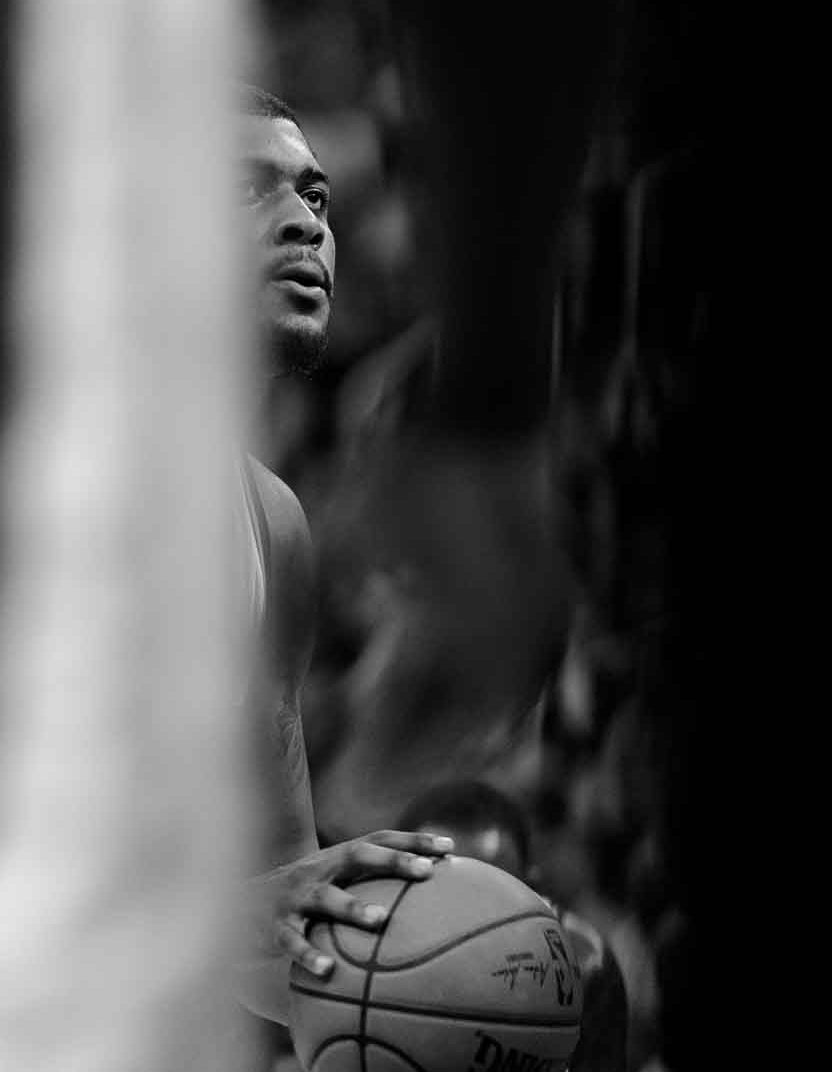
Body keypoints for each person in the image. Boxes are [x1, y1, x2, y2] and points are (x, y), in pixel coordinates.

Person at [228, 85, 455, 1021]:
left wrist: (434, 986)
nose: (303, 224)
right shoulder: (17, 460)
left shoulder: (272, 523)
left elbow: (271, 922)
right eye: (250, 188)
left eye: (315, 198)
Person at [397, 779, 630, 1072]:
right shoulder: (358, 940)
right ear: (397, 888)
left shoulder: (582, 961)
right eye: (444, 893)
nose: (466, 921)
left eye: (491, 896)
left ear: (532, 889)